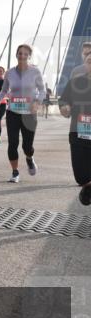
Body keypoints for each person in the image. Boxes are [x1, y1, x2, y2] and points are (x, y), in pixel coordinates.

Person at [0, 44, 46, 183]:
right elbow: (4, 90)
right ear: (16, 55)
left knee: (27, 146)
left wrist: (37, 102)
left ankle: (29, 158)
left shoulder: (35, 72)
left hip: (29, 113)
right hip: (13, 112)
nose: (22, 56)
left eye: (25, 54)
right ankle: (15, 172)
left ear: (29, 56)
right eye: (20, 53)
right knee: (13, 143)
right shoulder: (10, 73)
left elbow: (42, 90)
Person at [59, 45, 91, 205]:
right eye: (89, 61)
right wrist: (65, 108)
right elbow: (64, 100)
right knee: (80, 176)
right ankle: (88, 186)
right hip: (78, 132)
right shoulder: (75, 82)